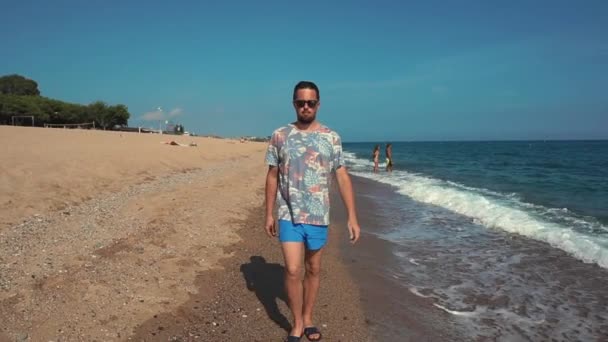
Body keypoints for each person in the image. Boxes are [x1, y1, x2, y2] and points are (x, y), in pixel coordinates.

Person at [264, 81, 361, 342]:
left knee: (313, 269)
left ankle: (308, 318)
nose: (305, 107)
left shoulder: (331, 137)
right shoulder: (280, 135)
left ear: (318, 104)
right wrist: (269, 213)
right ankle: (296, 323)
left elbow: (341, 175)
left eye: (311, 102)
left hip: (319, 215)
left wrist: (352, 216)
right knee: (294, 270)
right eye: (300, 102)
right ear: (294, 104)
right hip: (289, 214)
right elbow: (272, 176)